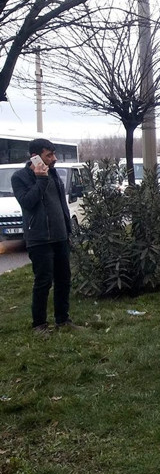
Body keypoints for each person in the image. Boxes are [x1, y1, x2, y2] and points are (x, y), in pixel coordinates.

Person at [11, 139, 80, 335]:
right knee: (43, 282)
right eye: (49, 155)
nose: (54, 159)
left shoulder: (54, 173)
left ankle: (63, 320)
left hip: (59, 237)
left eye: (53, 154)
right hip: (39, 239)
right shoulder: (20, 177)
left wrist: (67, 231)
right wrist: (40, 179)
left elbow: (61, 205)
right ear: (35, 156)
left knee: (64, 279)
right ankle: (39, 325)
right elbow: (28, 202)